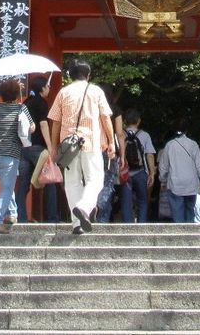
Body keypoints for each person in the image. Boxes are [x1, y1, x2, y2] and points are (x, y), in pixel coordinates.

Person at [48, 59, 115, 235]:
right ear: (88, 74)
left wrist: (54, 147)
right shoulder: (96, 91)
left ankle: (77, 224)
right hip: (91, 141)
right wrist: (111, 141)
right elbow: (105, 117)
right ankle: (84, 207)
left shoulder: (63, 92)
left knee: (72, 183)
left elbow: (55, 122)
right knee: (96, 179)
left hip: (68, 144)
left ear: (69, 75)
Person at [0, 78, 34, 234]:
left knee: (7, 185)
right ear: (16, 94)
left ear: (2, 94)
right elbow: (31, 127)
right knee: (6, 188)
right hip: (9, 154)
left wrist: (13, 88)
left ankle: (12, 214)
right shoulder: (21, 108)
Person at [16, 76, 57, 223]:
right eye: (47, 86)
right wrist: (50, 146)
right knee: (50, 181)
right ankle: (52, 218)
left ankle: (21, 218)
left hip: (23, 147)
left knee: (23, 185)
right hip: (38, 148)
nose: (49, 88)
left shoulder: (25, 102)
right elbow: (44, 124)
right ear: (41, 88)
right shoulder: (41, 102)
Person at [158, 119, 200, 223]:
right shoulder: (193, 144)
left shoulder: (169, 145)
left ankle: (179, 231)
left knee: (177, 213)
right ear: (187, 130)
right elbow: (199, 165)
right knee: (190, 210)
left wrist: (163, 181)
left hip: (175, 183)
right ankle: (189, 232)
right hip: (191, 183)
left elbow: (164, 167)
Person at [120, 108, 156, 224]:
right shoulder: (145, 135)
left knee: (126, 201)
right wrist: (152, 173)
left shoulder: (120, 134)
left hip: (125, 173)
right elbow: (149, 155)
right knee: (142, 201)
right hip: (140, 172)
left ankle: (128, 227)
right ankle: (142, 225)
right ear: (139, 121)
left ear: (124, 121)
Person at [96, 84, 125, 224]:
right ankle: (102, 215)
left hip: (92, 149)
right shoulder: (116, 109)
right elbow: (119, 134)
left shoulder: (93, 108)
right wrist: (123, 155)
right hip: (109, 150)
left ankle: (92, 209)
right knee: (108, 183)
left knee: (93, 182)